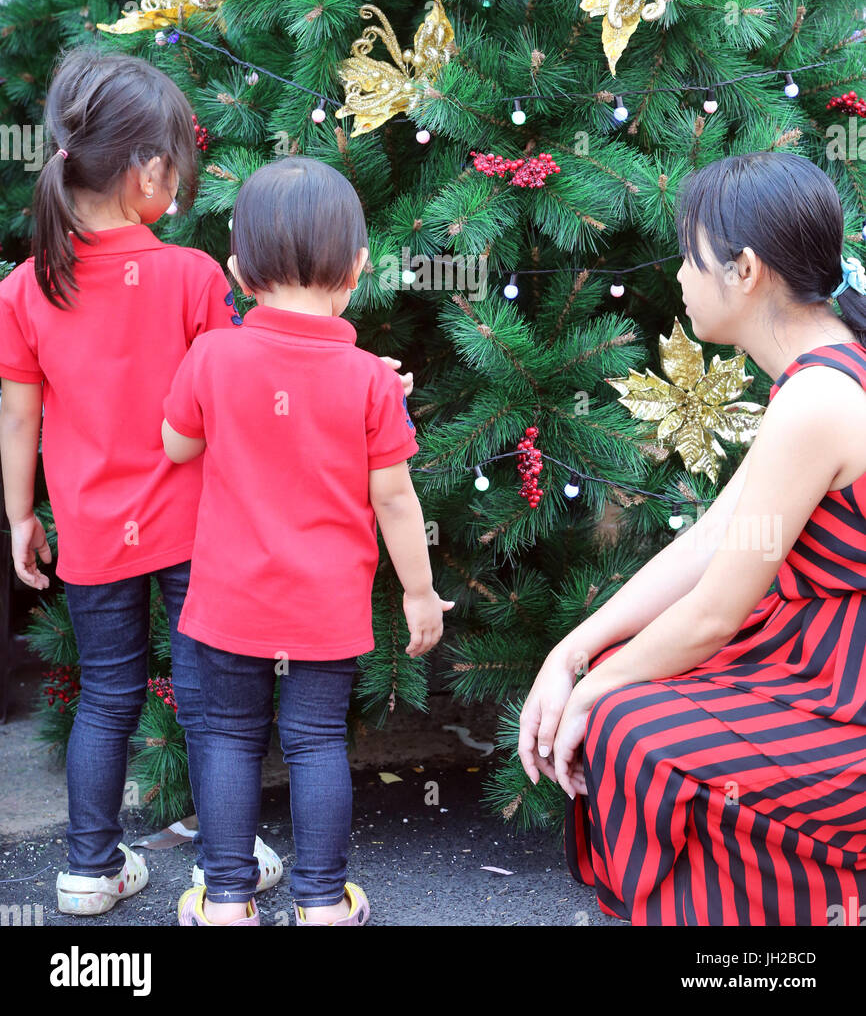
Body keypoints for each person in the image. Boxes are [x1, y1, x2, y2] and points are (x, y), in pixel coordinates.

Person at [0, 47, 415, 916]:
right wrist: (366, 384)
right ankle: (223, 866)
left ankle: (88, 868)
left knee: (105, 694)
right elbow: (274, 362)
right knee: (212, 711)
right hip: (198, 532)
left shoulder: (26, 287)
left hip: (86, 524)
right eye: (179, 169)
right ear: (149, 172)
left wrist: (18, 517)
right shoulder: (191, 278)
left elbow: (18, 417)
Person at [518, 150, 866, 925]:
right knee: (616, 685)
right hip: (824, 666)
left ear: (745, 270)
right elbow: (713, 538)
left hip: (844, 694)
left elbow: (714, 614)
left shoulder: (819, 397)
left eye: (689, 257)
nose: (677, 277)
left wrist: (596, 690)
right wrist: (570, 653)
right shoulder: (822, 369)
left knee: (631, 726)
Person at [163, 156, 453, 927]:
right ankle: (322, 902)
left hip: (228, 601)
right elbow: (395, 497)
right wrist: (420, 594)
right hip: (324, 610)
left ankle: (225, 901)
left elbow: (176, 445)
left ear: (237, 269)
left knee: (226, 738)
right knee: (317, 742)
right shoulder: (370, 381)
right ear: (357, 269)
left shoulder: (213, 355)